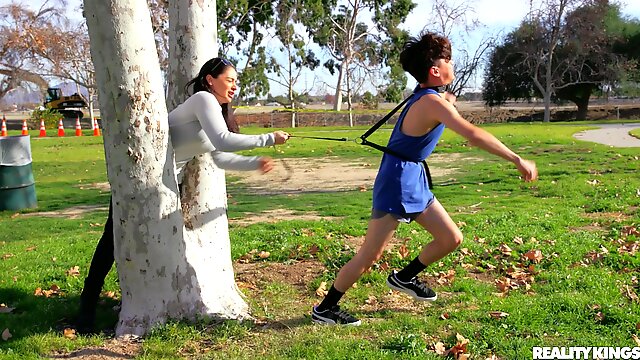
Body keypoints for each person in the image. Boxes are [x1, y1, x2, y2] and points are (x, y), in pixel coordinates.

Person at [311, 32, 538, 326]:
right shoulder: (432, 102)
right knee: (370, 254)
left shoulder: (431, 97)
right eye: (447, 60)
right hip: (397, 180)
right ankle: (326, 308)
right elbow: (473, 134)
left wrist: (447, 98)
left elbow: (438, 105)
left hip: (412, 177)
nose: (452, 63)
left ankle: (404, 277)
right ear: (434, 70)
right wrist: (516, 159)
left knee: (451, 238)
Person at [76, 57, 290, 333]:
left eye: (237, 81)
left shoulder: (215, 111)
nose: (235, 86)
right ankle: (86, 308)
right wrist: (269, 138)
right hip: (140, 182)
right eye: (230, 79)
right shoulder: (203, 99)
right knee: (112, 243)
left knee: (157, 245)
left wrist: (254, 163)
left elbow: (221, 157)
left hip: (167, 187)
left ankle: (147, 300)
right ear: (210, 80)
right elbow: (223, 139)